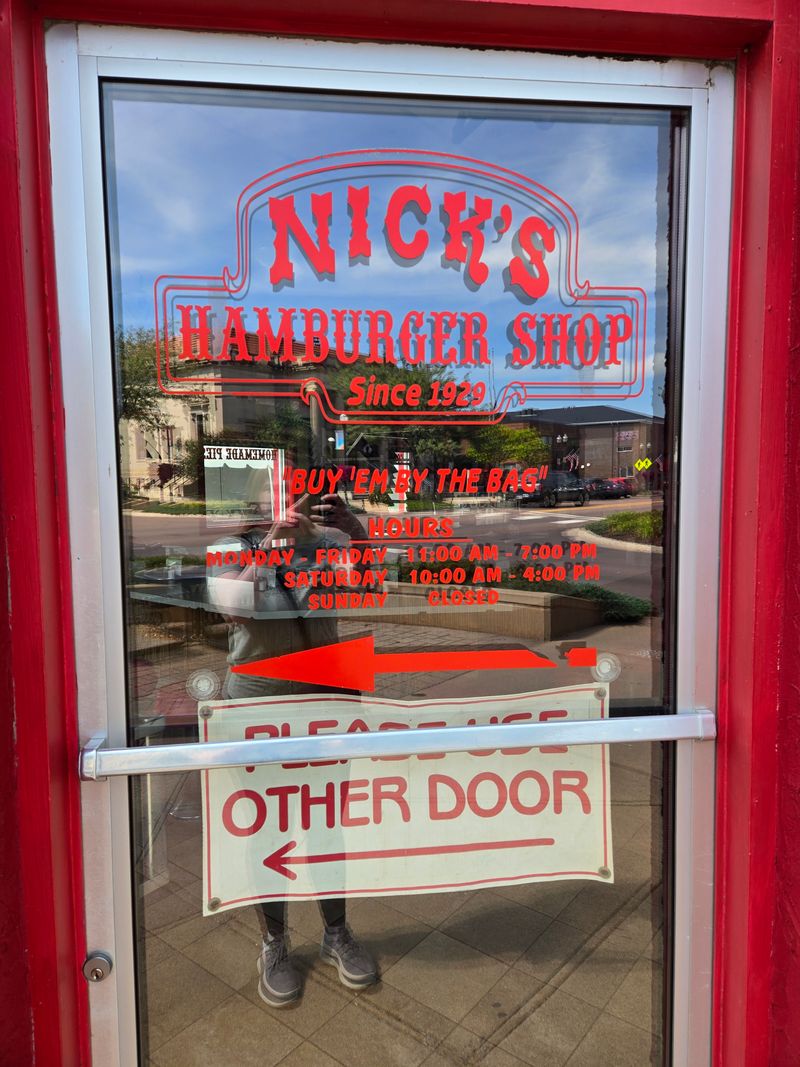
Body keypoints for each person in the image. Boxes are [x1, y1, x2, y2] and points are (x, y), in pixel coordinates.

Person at [208, 475, 378, 1007]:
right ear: (251, 504)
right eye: (272, 494)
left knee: (326, 821)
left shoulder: (323, 542)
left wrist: (357, 534)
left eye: (292, 492)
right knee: (268, 825)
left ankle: (336, 932)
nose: (287, 503)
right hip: (257, 698)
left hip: (325, 693)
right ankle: (274, 941)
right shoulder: (226, 546)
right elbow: (233, 608)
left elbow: (369, 585)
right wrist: (274, 548)